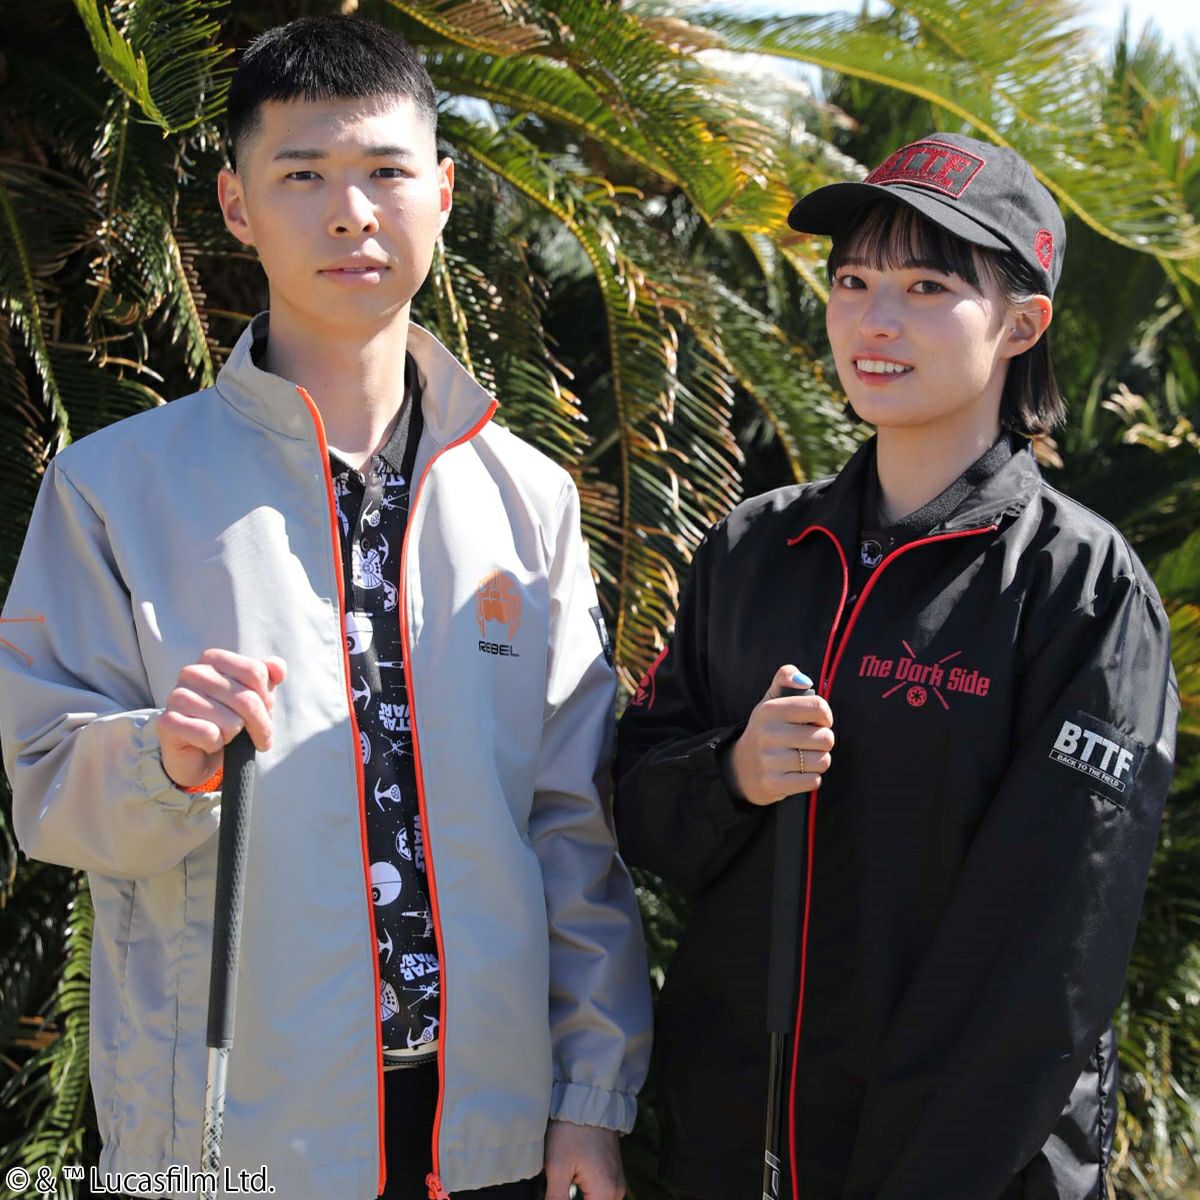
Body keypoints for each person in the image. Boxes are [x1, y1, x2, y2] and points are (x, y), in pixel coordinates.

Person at [0, 16, 650, 1200]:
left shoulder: (530, 501)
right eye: (302, 175)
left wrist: (589, 1100)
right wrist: (163, 759)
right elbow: (45, 789)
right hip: (231, 1142)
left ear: (442, 192)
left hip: (485, 1137)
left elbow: (572, 826)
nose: (351, 214)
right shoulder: (113, 490)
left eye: (386, 172)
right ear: (236, 205)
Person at [614, 132, 1177, 1200]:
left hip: (965, 1170)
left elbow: (1050, 954)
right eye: (853, 282)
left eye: (927, 288)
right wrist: (732, 775)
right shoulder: (753, 549)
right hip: (727, 1152)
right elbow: (635, 809)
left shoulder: (1081, 589)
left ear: (1022, 324)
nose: (876, 320)